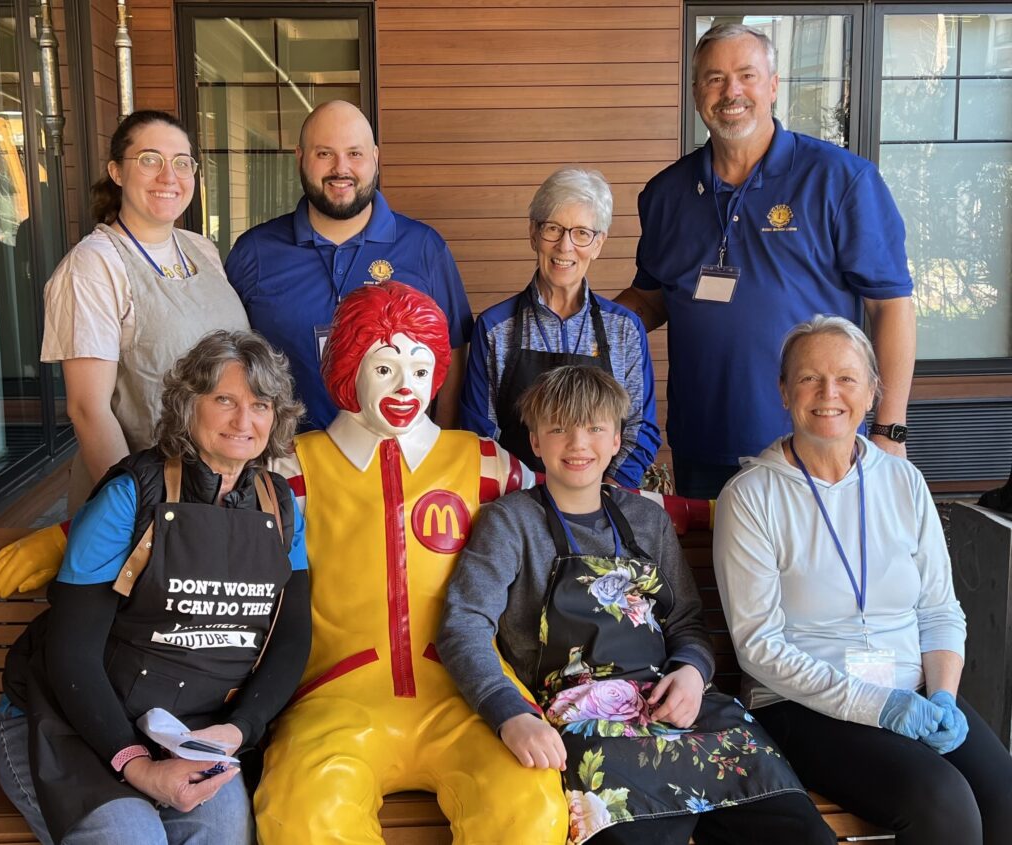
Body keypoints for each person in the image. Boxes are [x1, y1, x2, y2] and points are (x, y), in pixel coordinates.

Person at [439, 365, 834, 845]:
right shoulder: (510, 522)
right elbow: (463, 626)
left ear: (616, 440)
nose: (578, 443)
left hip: (680, 710)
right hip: (580, 725)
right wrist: (510, 715)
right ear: (536, 441)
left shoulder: (647, 520)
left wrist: (692, 673)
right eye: (559, 428)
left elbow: (686, 622)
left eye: (594, 428)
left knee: (801, 831)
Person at [254, 282, 567, 844]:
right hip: (333, 697)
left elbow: (576, 504)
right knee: (304, 815)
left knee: (529, 808)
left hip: (469, 691)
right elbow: (210, 543)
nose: (406, 387)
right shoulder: (292, 468)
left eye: (421, 370)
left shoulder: (484, 463)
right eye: (384, 368)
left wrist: (699, 509)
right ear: (349, 367)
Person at [0, 330, 312, 845]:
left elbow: (292, 639)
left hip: (189, 731)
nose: (243, 421)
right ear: (188, 405)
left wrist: (239, 729)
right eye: (224, 400)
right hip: (67, 724)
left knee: (224, 833)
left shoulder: (279, 507)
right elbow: (71, 654)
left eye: (260, 405)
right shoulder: (131, 496)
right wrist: (137, 765)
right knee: (131, 836)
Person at [712, 315, 1012, 845]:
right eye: (809, 378)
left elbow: (940, 609)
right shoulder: (751, 496)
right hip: (801, 705)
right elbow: (759, 646)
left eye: (847, 378)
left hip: (914, 692)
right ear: (784, 391)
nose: (829, 393)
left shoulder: (903, 480)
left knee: (1004, 795)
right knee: (941, 801)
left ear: (873, 391)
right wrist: (881, 707)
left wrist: (943, 695)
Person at [616, 23, 916, 499]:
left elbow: (890, 305)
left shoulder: (842, 180)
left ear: (773, 86)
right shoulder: (665, 194)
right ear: (696, 93)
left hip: (818, 442)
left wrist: (889, 430)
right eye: (714, 78)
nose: (731, 91)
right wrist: (583, 326)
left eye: (746, 75)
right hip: (703, 446)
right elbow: (651, 301)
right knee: (714, 551)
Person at [42, 110, 249, 513]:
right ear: (117, 172)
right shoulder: (94, 265)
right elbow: (88, 409)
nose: (169, 177)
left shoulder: (201, 249)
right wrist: (138, 511)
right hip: (148, 496)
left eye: (182, 163)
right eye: (150, 160)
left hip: (221, 488)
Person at [225, 100, 472, 431]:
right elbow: (228, 357)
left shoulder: (424, 248)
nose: (340, 168)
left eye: (354, 153)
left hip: (398, 454)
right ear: (300, 158)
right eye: (324, 153)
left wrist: (440, 438)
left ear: (375, 158)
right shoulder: (254, 252)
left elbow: (454, 350)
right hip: (285, 453)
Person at [460, 167, 660, 487]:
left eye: (581, 233)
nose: (565, 246)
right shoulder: (495, 328)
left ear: (598, 244)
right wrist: (521, 500)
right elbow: (480, 433)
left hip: (602, 497)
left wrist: (605, 493)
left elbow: (640, 428)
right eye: (553, 229)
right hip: (516, 498)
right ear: (533, 234)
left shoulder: (625, 329)